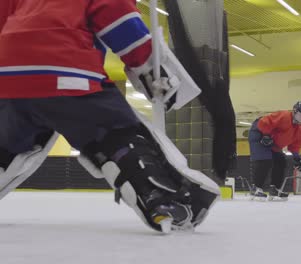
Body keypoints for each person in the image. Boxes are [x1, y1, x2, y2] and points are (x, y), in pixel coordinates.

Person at [0, 0, 220, 233]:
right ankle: (165, 199)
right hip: (66, 68)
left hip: (8, 76)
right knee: (117, 133)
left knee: (8, 143)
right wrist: (154, 72)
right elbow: (121, 23)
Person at [248, 101, 301, 200]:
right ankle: (256, 188)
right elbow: (264, 122)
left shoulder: (299, 129)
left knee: (281, 160)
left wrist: (297, 159)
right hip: (259, 132)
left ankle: (274, 189)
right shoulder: (284, 116)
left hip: (273, 141)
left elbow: (294, 146)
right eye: (300, 115)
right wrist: (266, 135)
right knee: (264, 160)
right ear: (294, 112)